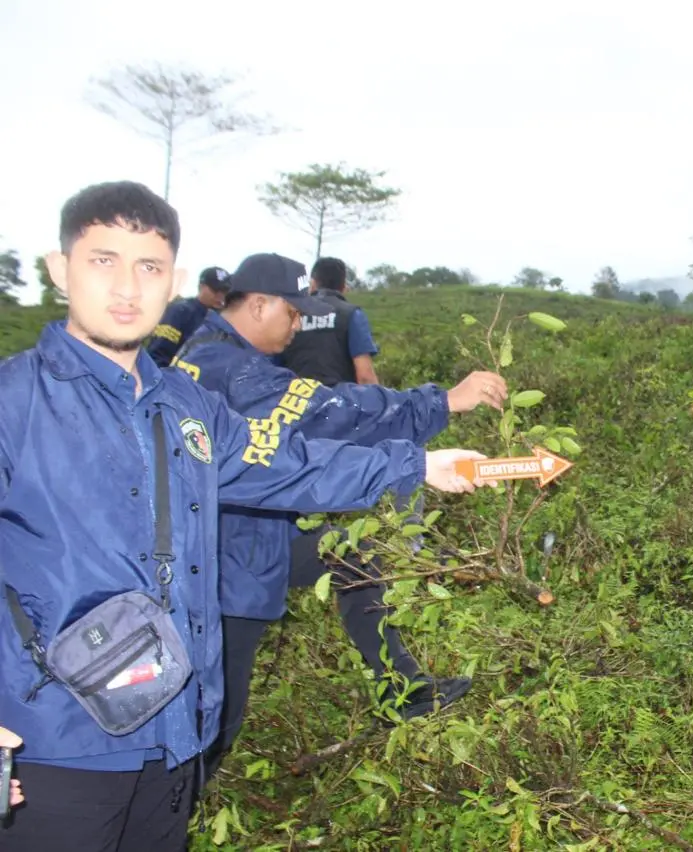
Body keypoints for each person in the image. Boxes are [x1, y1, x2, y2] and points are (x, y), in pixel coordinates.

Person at [0, 180, 488, 851]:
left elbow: (289, 461)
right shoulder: (15, 403)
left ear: (170, 278)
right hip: (56, 743)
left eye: (147, 267)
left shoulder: (184, 404)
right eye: (102, 260)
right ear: (61, 271)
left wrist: (418, 464)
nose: (126, 288)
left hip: (174, 732)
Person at [169, 252, 508, 782]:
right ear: (258, 305)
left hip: (247, 536)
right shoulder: (230, 370)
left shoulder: (211, 352)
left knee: (356, 556)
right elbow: (332, 414)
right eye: (293, 311)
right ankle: (163, 814)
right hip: (221, 566)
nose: (299, 324)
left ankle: (404, 689)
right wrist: (442, 403)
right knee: (213, 721)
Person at [278, 256, 381, 386]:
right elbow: (365, 377)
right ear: (344, 287)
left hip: (294, 402)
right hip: (338, 402)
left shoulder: (291, 314)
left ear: (312, 284)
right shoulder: (352, 314)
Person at [146, 265, 232, 367]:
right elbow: (157, 353)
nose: (220, 296)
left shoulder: (223, 321)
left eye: (224, 292)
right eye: (216, 291)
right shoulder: (179, 311)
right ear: (201, 286)